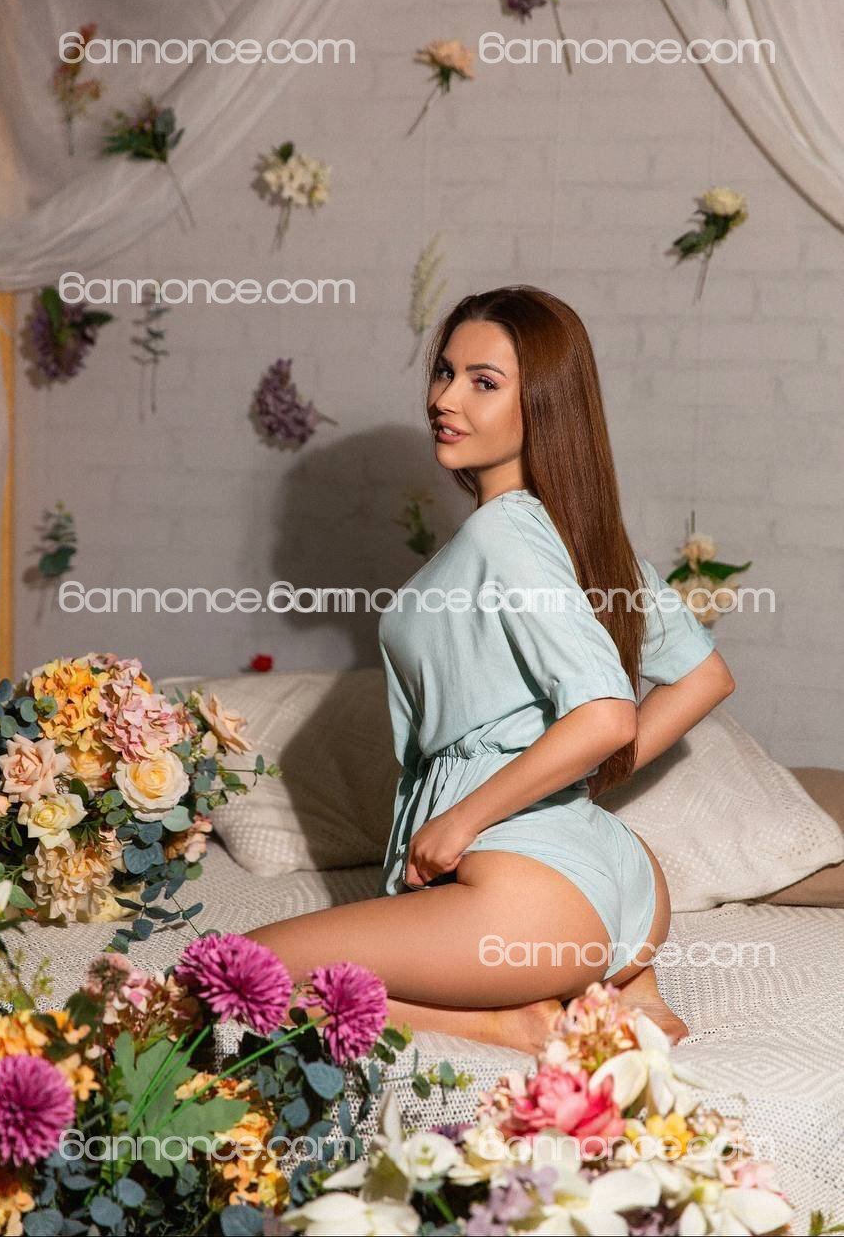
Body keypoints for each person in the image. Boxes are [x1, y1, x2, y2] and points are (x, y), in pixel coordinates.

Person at [244, 286, 735, 1052]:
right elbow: (705, 677)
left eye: (483, 382)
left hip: (527, 893)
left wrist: (463, 819)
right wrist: (573, 780)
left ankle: (510, 1021)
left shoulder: (503, 535)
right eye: (445, 372)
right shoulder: (578, 534)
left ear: (541, 405)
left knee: (239, 972)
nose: (445, 398)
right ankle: (621, 984)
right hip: (620, 883)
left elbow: (606, 715)